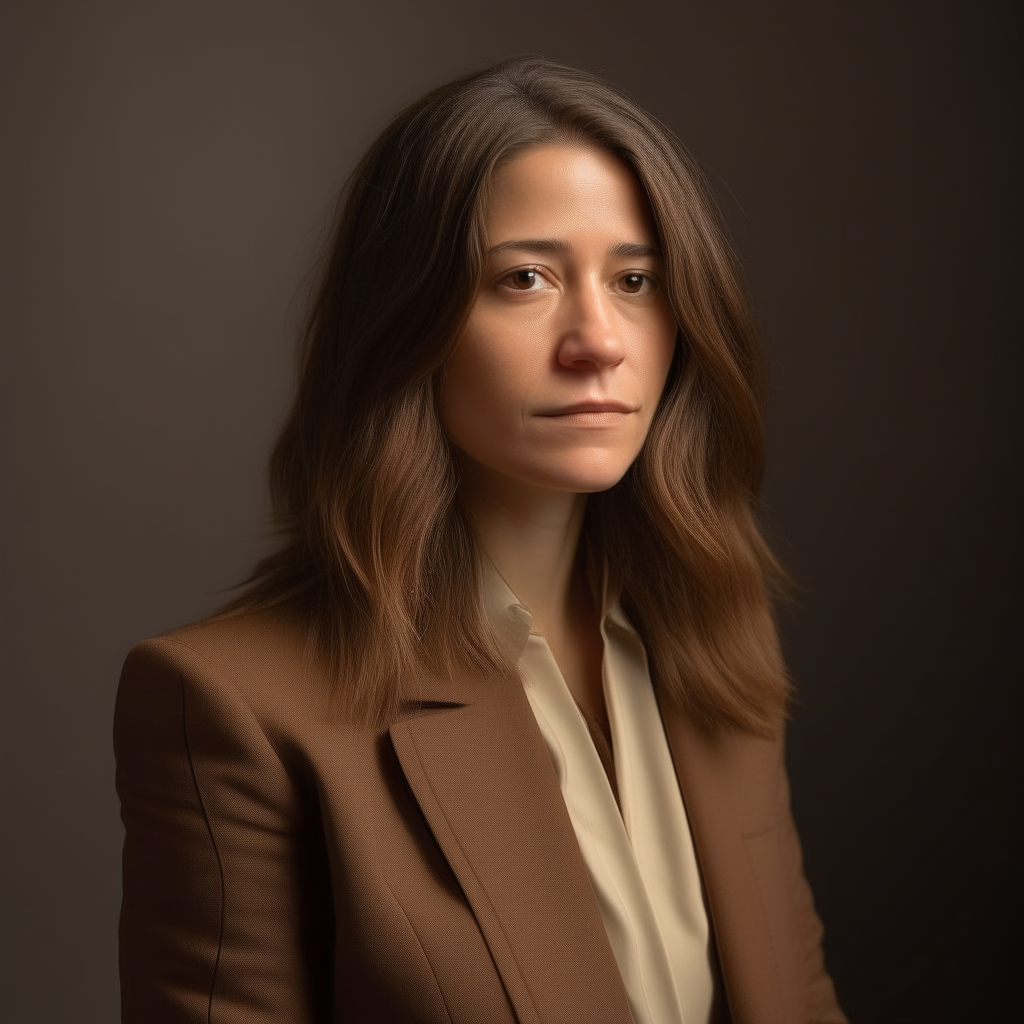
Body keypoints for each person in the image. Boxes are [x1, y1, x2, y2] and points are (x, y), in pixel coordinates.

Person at [114, 55, 847, 1024]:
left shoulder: (716, 634)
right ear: (405, 321)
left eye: (635, 279)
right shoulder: (230, 706)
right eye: (526, 277)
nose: (599, 339)